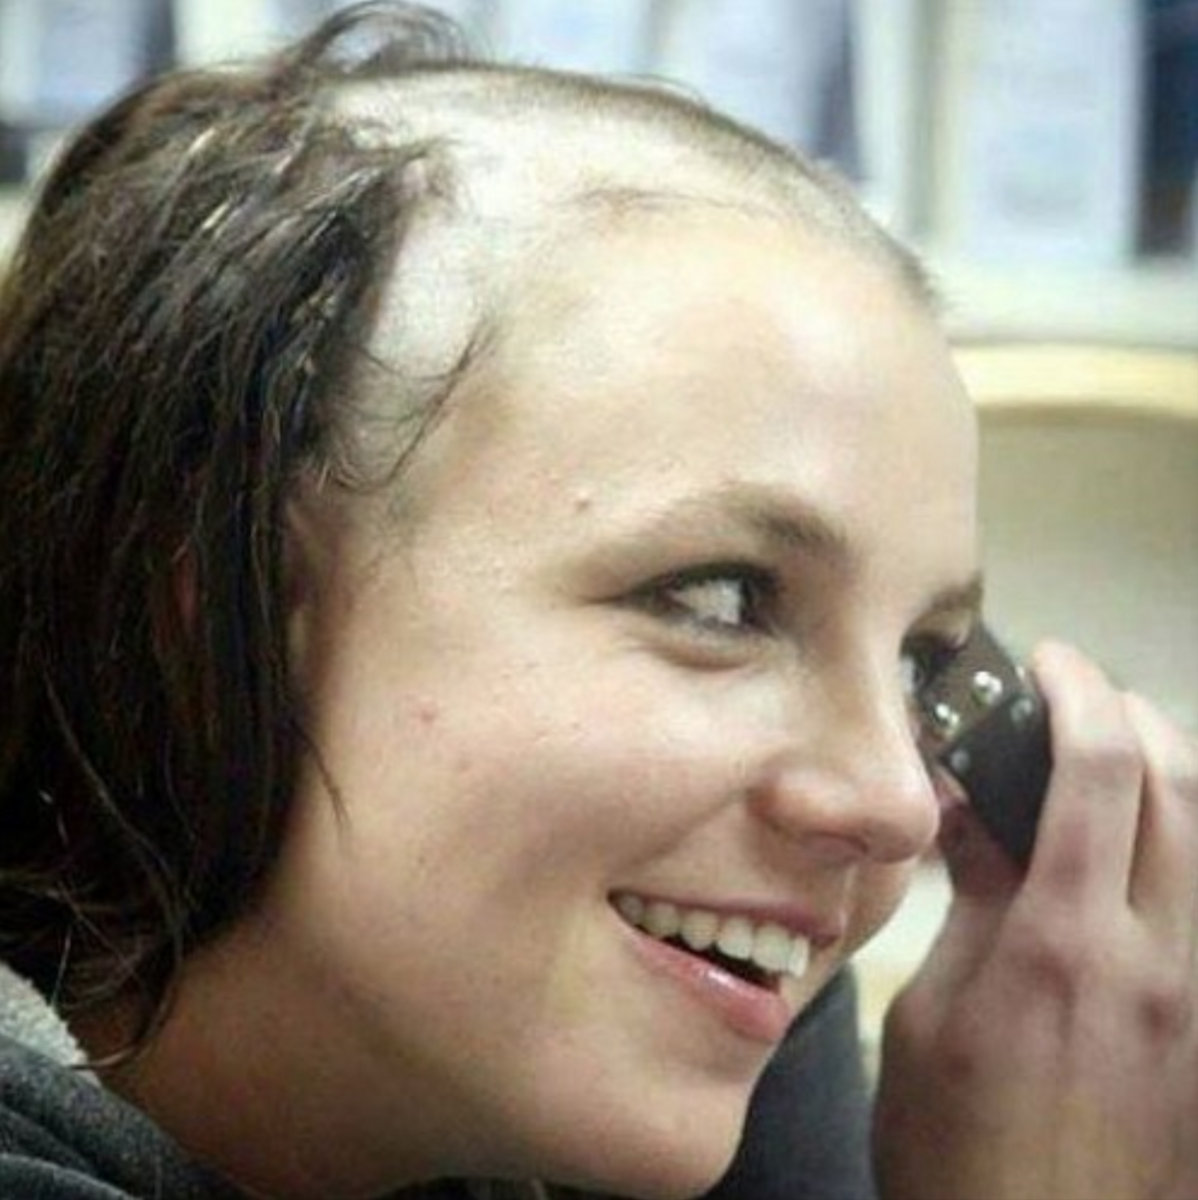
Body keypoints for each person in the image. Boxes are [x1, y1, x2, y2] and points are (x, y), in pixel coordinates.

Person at [1, 4, 1195, 1199]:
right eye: (721, 602)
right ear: (211, 623)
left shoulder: (599, 1024)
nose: (895, 804)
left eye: (918, 661)